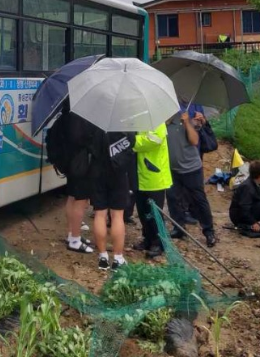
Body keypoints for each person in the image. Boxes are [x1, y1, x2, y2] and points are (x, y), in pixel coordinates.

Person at [166, 103, 218, 247]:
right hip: (172, 168)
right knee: (173, 198)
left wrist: (187, 122)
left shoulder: (187, 117)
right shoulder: (164, 121)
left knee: (199, 199)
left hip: (191, 168)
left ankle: (209, 231)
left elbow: (195, 140)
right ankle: (179, 227)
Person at [45, 106, 94, 253]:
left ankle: (71, 234)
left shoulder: (64, 118)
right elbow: (86, 142)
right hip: (81, 166)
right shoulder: (80, 120)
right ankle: (75, 240)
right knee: (80, 201)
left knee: (72, 198)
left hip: (71, 165)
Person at [90, 130, 134, 271]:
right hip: (119, 174)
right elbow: (131, 147)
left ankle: (103, 257)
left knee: (100, 214)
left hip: (97, 173)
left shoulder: (94, 123)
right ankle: (117, 258)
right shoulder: (125, 125)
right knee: (117, 216)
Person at [132, 123, 174, 259]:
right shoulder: (137, 121)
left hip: (154, 177)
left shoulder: (157, 122)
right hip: (140, 175)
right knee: (143, 211)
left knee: (154, 213)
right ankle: (147, 238)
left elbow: (154, 140)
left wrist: (132, 141)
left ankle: (158, 242)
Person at [229, 160, 260, 232]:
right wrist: (253, 223)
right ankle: (251, 222)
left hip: (249, 212)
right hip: (239, 216)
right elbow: (244, 207)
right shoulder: (247, 187)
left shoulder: (259, 184)